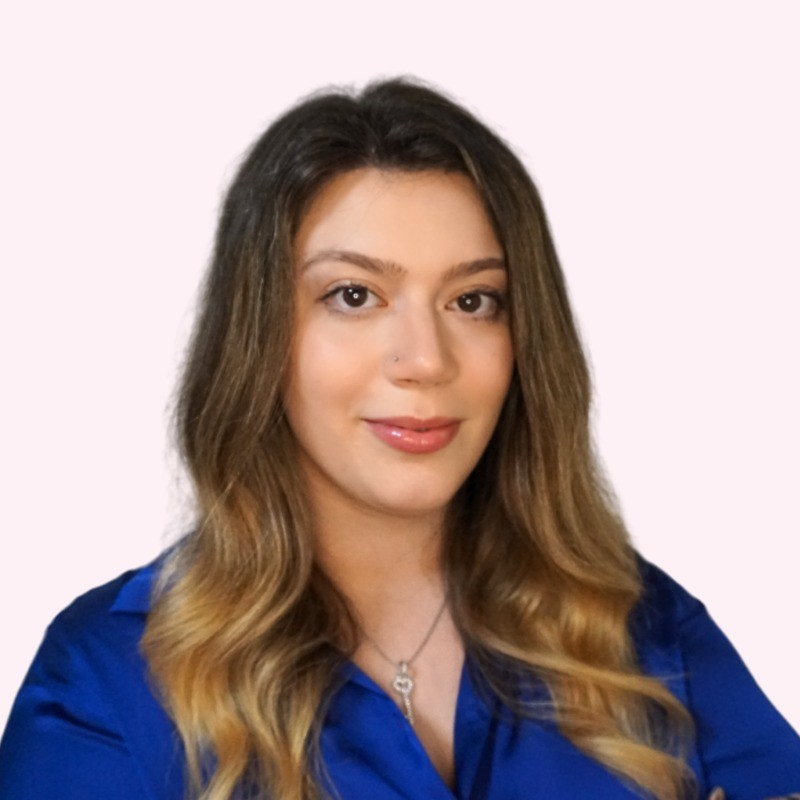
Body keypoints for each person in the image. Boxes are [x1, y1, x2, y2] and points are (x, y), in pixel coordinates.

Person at [1, 78, 798, 800]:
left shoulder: (644, 629)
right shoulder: (106, 684)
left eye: (474, 300)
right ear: (258, 335)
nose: (425, 360)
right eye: (355, 295)